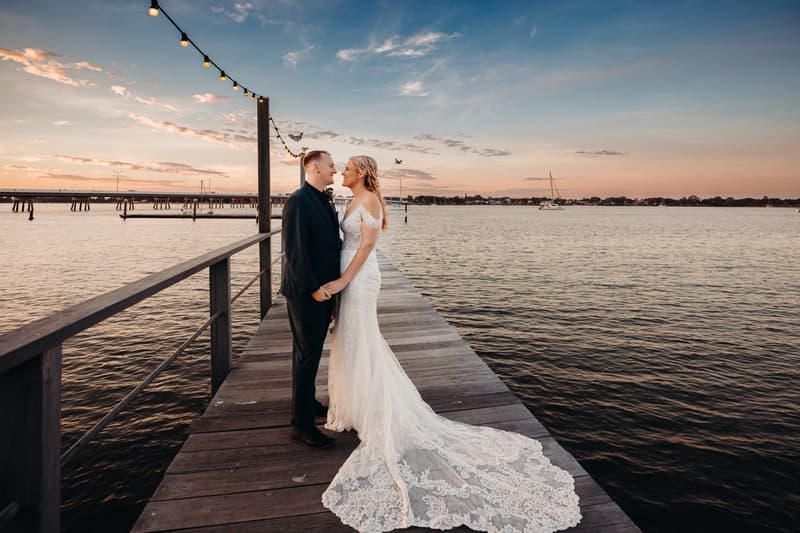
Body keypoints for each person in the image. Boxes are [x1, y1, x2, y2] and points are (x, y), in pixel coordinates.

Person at [320, 155, 582, 532]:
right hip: (348, 274)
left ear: (361, 173)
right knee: (350, 340)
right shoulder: (349, 200)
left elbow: (365, 248)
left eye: (346, 168)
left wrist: (343, 282)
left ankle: (376, 410)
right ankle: (355, 406)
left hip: (359, 277)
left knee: (363, 340)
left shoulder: (372, 201)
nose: (342, 172)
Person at [280, 150, 341, 448]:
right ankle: (301, 425)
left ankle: (305, 403)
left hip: (324, 291)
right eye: (331, 165)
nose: (335, 169)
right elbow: (295, 252)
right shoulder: (298, 201)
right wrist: (313, 289)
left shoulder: (323, 199)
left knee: (309, 353)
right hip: (307, 293)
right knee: (307, 355)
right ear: (315, 167)